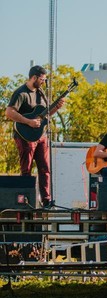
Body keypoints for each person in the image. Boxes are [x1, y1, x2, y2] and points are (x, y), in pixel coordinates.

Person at [5, 65, 65, 207]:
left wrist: (56, 107)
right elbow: (9, 112)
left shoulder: (41, 93)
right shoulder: (21, 93)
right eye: (42, 79)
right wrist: (28, 122)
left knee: (45, 168)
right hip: (25, 136)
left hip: (41, 135)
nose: (44, 82)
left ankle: (46, 200)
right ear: (34, 78)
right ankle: (26, 199)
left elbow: (44, 116)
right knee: (27, 169)